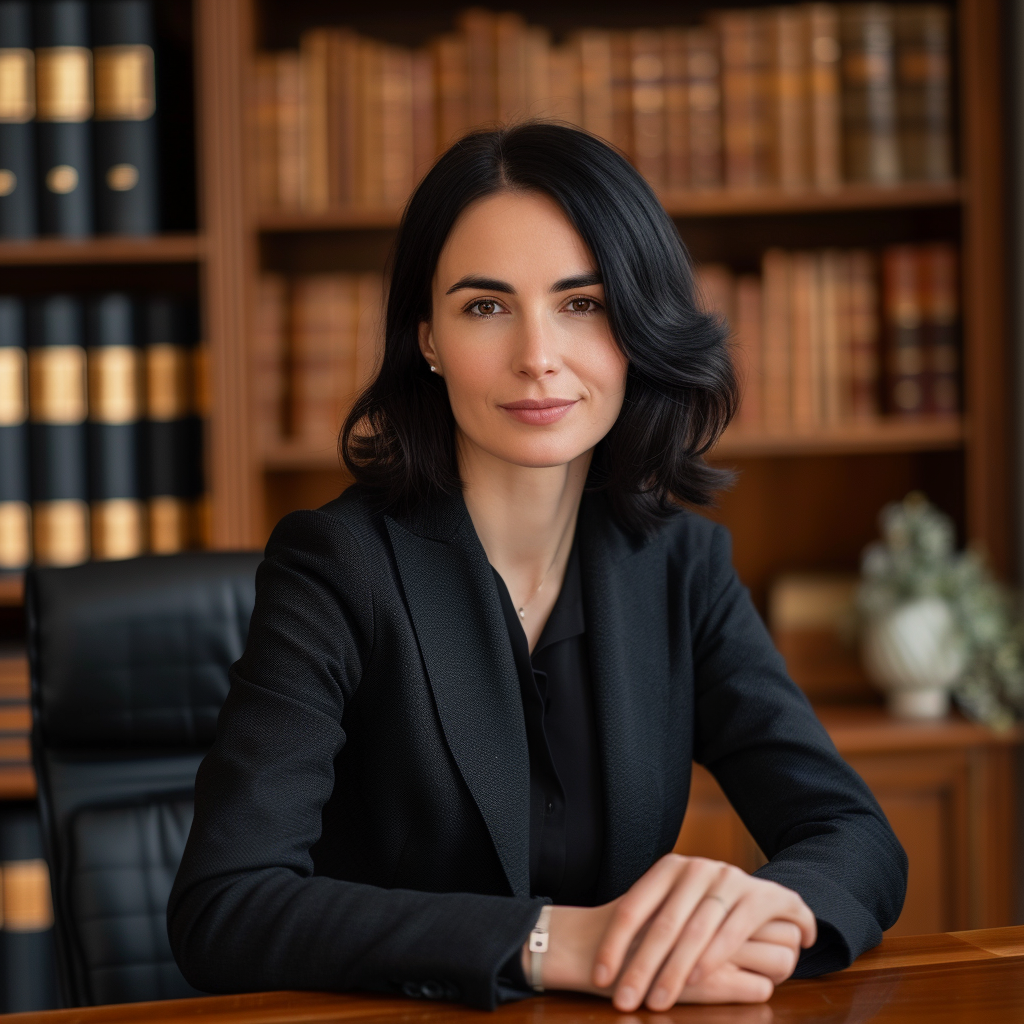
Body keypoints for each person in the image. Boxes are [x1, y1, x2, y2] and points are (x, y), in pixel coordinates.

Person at [168, 123, 906, 1013]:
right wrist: (557, 942)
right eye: (486, 306)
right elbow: (227, 905)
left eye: (582, 303)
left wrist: (760, 911)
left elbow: (852, 833)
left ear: (636, 328)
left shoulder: (679, 562)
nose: (537, 356)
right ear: (428, 338)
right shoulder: (338, 566)